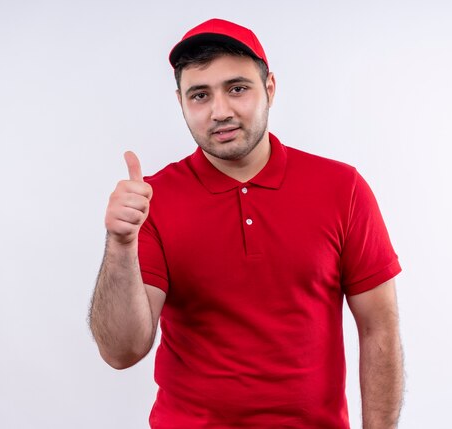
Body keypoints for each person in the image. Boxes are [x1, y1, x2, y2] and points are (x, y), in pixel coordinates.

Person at [89, 18, 404, 429]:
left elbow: (379, 328)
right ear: (181, 102)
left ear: (269, 88)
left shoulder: (342, 188)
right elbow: (122, 352)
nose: (220, 111)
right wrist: (120, 243)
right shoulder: (154, 199)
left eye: (237, 88)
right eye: (200, 95)